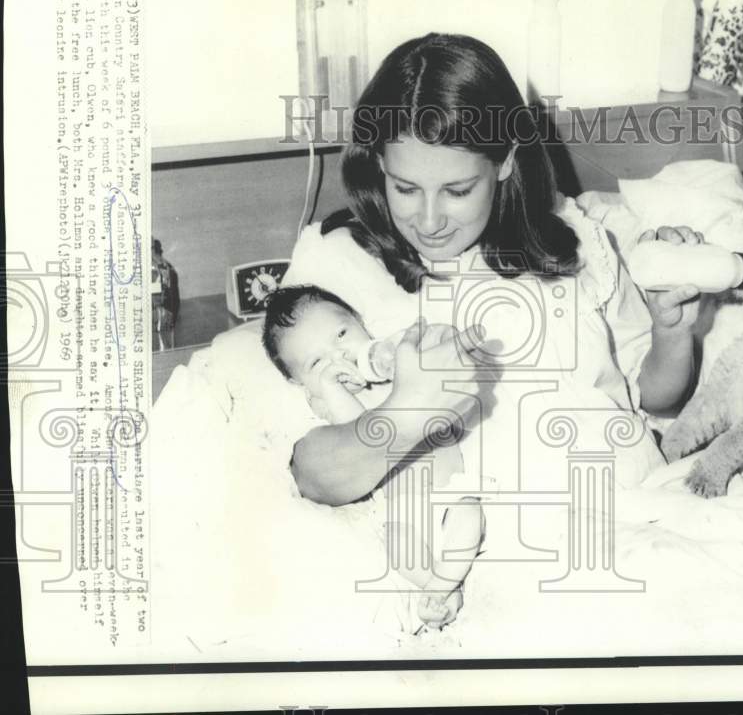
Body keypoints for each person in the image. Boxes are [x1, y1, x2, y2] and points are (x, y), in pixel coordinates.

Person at [282, 32, 704, 511]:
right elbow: (307, 472)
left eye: (457, 190)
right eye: (404, 188)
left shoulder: (575, 241)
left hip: (639, 498)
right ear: (379, 163)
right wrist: (410, 411)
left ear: (504, 162)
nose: (428, 220)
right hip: (506, 531)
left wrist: (674, 333)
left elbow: (652, 399)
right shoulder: (337, 263)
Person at [261, 284, 485, 630]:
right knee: (401, 547)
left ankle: (446, 584)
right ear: (297, 382)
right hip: (404, 505)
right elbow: (363, 428)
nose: (340, 358)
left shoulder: (395, 364)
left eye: (341, 334)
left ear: (361, 323)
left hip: (452, 487)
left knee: (469, 518)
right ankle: (437, 590)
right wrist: (333, 387)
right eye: (317, 362)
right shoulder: (326, 402)